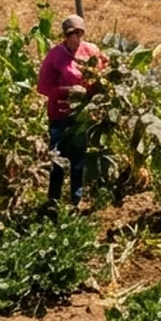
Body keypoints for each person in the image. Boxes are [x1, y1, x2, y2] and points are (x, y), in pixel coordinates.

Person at [36, 14, 104, 206]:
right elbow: (44, 87)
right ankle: (53, 201)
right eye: (72, 34)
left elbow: (103, 72)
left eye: (79, 33)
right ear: (65, 36)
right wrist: (67, 91)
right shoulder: (55, 56)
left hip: (81, 115)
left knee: (78, 157)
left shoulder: (90, 51)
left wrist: (92, 90)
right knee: (57, 158)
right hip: (60, 113)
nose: (76, 38)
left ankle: (76, 199)